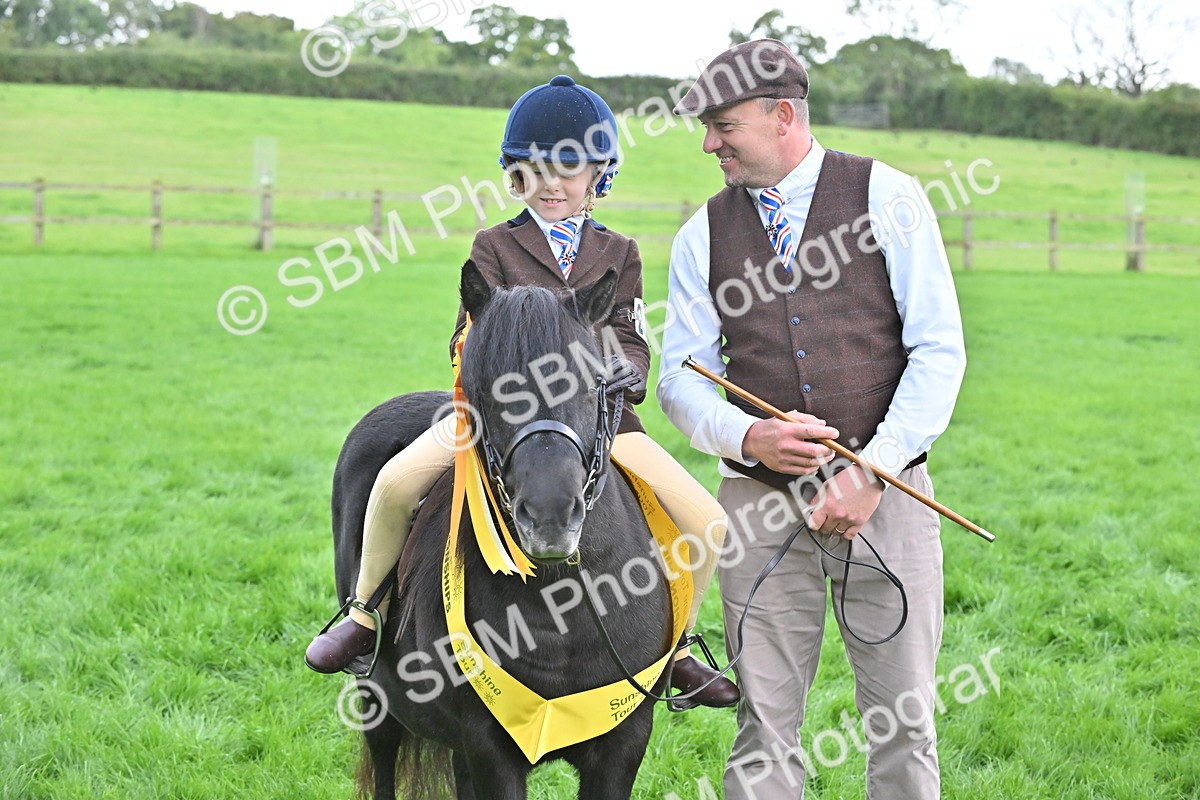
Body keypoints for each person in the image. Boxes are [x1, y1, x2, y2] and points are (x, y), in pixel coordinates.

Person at [305, 74, 740, 709]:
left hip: (597, 423)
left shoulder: (619, 252)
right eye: (534, 169)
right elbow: (465, 336)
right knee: (393, 482)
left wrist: (626, 369)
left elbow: (629, 333)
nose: (551, 184)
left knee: (708, 520)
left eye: (568, 168)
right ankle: (363, 615)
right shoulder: (495, 246)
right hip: (500, 421)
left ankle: (676, 649)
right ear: (514, 173)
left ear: (599, 173)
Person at [656, 39, 967, 799]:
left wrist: (874, 471)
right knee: (763, 725)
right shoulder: (702, 233)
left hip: (889, 500)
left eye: (723, 126)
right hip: (757, 506)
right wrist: (748, 435)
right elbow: (679, 379)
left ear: (783, 116)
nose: (709, 144)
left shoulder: (886, 195)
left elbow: (939, 350)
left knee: (903, 721)